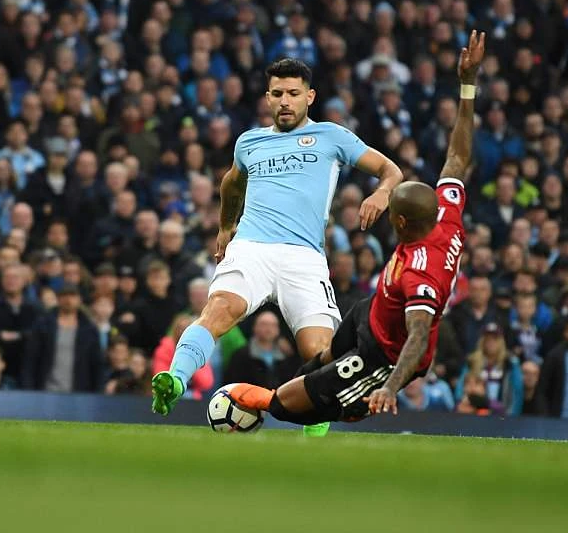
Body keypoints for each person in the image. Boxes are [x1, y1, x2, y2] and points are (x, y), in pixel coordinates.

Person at [219, 31, 484, 426]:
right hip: (371, 311)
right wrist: (468, 85)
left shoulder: (422, 271)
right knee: (318, 360)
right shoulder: (445, 211)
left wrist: (390, 387)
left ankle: (285, 403)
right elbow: (458, 157)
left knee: (289, 405)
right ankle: (323, 385)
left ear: (401, 222)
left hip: (383, 353)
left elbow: (418, 336)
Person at [152, 57, 404, 438]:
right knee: (219, 308)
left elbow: (391, 170)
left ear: (310, 97)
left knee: (319, 350)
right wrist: (226, 226)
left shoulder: (332, 137)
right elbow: (231, 184)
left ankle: (315, 426)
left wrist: (382, 193)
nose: (285, 101)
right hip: (252, 247)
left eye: (293, 93)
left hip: (304, 257)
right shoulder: (249, 142)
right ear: (267, 98)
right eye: (277, 93)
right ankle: (175, 379)